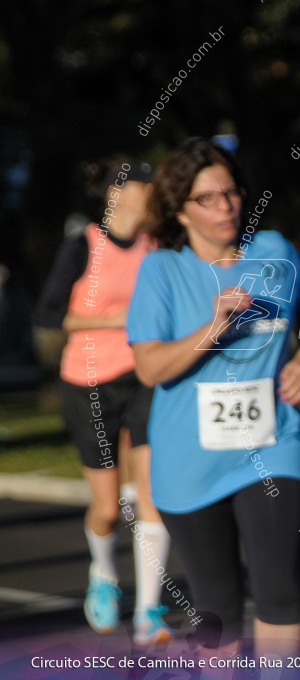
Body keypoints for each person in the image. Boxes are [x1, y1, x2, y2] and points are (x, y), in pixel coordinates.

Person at [125, 139, 300, 660]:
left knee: (280, 590)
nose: (225, 207)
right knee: (218, 606)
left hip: (273, 441)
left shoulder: (275, 251)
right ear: (179, 209)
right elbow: (148, 367)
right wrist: (212, 328)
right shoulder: (162, 269)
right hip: (190, 459)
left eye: (231, 193)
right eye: (206, 199)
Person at [34, 158, 173, 646]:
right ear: (118, 192)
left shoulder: (157, 243)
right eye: (145, 185)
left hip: (144, 380)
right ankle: (104, 574)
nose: (153, 193)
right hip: (88, 383)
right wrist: (118, 321)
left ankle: (149, 612)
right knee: (109, 509)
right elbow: (50, 315)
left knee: (154, 501)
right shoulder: (84, 245)